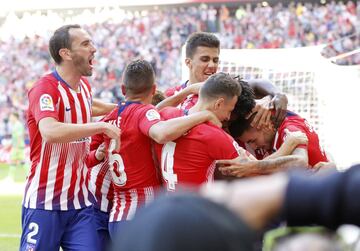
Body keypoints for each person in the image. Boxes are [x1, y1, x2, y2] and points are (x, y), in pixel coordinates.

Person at [89, 59, 220, 242]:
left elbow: (88, 158)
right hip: (142, 214)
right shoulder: (145, 112)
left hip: (117, 216)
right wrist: (203, 115)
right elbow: (160, 133)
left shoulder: (108, 118)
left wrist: (98, 154)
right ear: (153, 89)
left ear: (123, 90)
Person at [20, 24, 121, 251]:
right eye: (85, 44)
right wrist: (100, 127)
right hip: (45, 202)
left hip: (81, 204)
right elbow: (50, 131)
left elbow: (92, 105)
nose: (93, 49)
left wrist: (132, 109)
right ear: (65, 53)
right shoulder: (44, 89)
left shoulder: (84, 88)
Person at [158, 31, 288, 129]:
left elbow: (257, 84)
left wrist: (276, 95)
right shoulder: (172, 95)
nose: (212, 65)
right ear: (188, 62)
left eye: (215, 60)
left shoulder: (224, 87)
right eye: (205, 59)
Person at [155, 72, 251, 191]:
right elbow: (255, 169)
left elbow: (154, 110)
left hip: (168, 203)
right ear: (219, 103)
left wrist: (188, 90)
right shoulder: (213, 135)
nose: (228, 117)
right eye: (229, 110)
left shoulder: (166, 114)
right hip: (197, 206)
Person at [7, 111, 26, 182]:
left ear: (15, 117)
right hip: (17, 146)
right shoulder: (15, 125)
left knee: (15, 161)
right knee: (18, 161)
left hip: (17, 146)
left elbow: (19, 136)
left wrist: (16, 147)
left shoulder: (18, 125)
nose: (10, 118)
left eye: (11, 117)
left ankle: (10, 178)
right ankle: (11, 178)